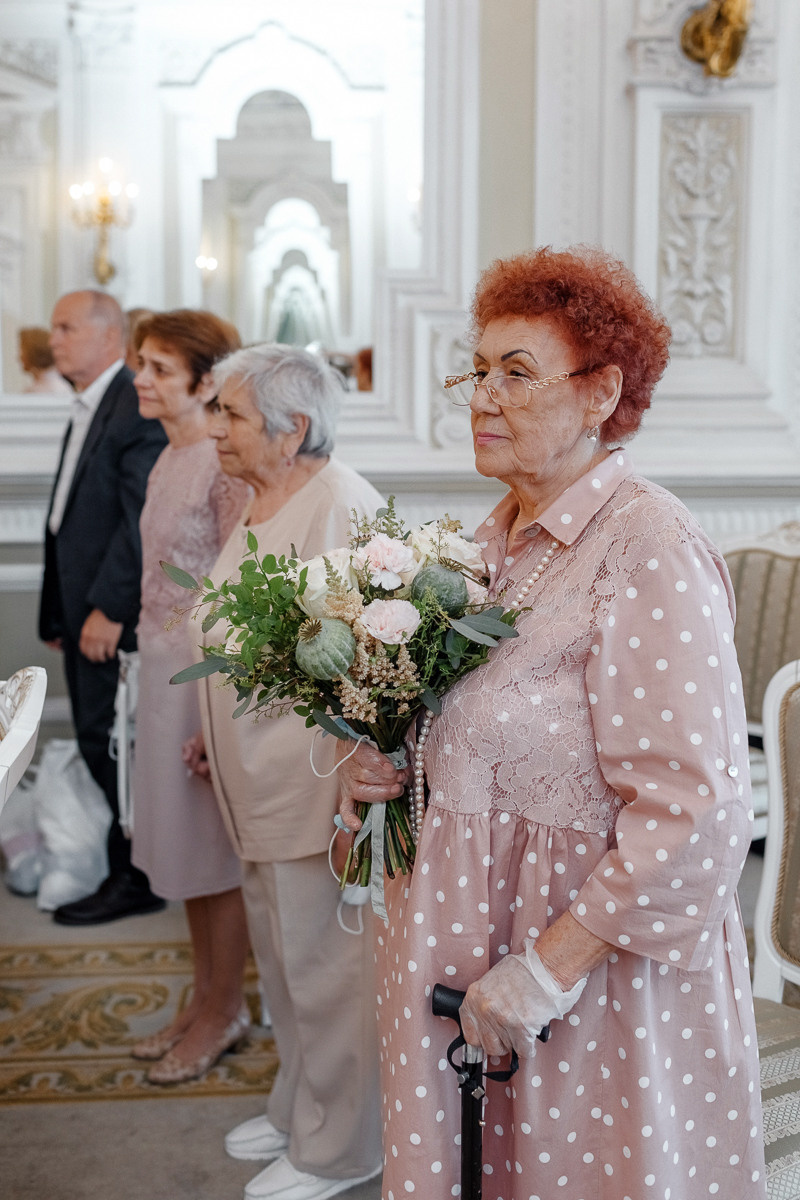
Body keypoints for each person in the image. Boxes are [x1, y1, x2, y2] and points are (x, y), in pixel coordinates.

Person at [338, 246, 767, 1199]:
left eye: (517, 374)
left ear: (601, 391)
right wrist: (384, 771)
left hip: (587, 988)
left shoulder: (649, 547)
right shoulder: (484, 545)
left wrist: (543, 975)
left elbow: (694, 808)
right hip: (457, 953)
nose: (484, 397)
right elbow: (480, 740)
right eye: (477, 372)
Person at [183, 344, 384, 1200]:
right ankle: (299, 1104)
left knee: (330, 974)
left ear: (291, 426)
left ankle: (341, 1149)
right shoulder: (267, 497)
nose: (213, 427)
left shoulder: (338, 504)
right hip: (256, 780)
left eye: (227, 412)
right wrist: (210, 728)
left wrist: (355, 799)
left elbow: (365, 664)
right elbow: (243, 637)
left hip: (313, 784)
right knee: (283, 960)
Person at [129, 309, 252, 1083]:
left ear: (206, 382)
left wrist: (224, 704)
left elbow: (243, 577)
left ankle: (224, 1009)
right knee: (178, 851)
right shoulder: (168, 456)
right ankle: (204, 998)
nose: (140, 379)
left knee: (212, 855)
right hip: (155, 667)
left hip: (203, 677)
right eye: (141, 363)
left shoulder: (219, 460)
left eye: (160, 369)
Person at [39, 290, 167, 925]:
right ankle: (130, 865)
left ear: (107, 333)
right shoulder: (93, 400)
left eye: (66, 327)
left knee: (108, 741)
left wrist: (108, 609)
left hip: (108, 610)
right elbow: (67, 519)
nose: (53, 338)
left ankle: (136, 874)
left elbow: (140, 518)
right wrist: (56, 614)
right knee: (98, 737)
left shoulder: (132, 403)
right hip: (79, 608)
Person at [18, 326, 72, 395]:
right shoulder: (39, 387)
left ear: (35, 352)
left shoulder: (53, 389)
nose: (20, 356)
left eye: (22, 351)